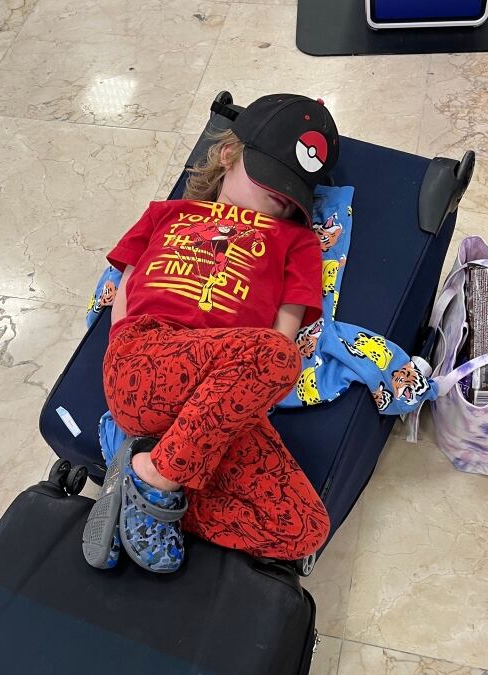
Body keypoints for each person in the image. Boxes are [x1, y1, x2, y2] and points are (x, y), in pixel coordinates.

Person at [82, 94, 340, 573]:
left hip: (219, 400)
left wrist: (252, 388)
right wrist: (121, 345)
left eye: (293, 196)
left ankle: (145, 466)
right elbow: (127, 282)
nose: (282, 198)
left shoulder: (297, 240)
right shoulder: (168, 213)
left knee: (304, 529)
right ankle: (156, 477)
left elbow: (286, 325)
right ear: (228, 155)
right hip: (148, 360)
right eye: (272, 180)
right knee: (275, 358)